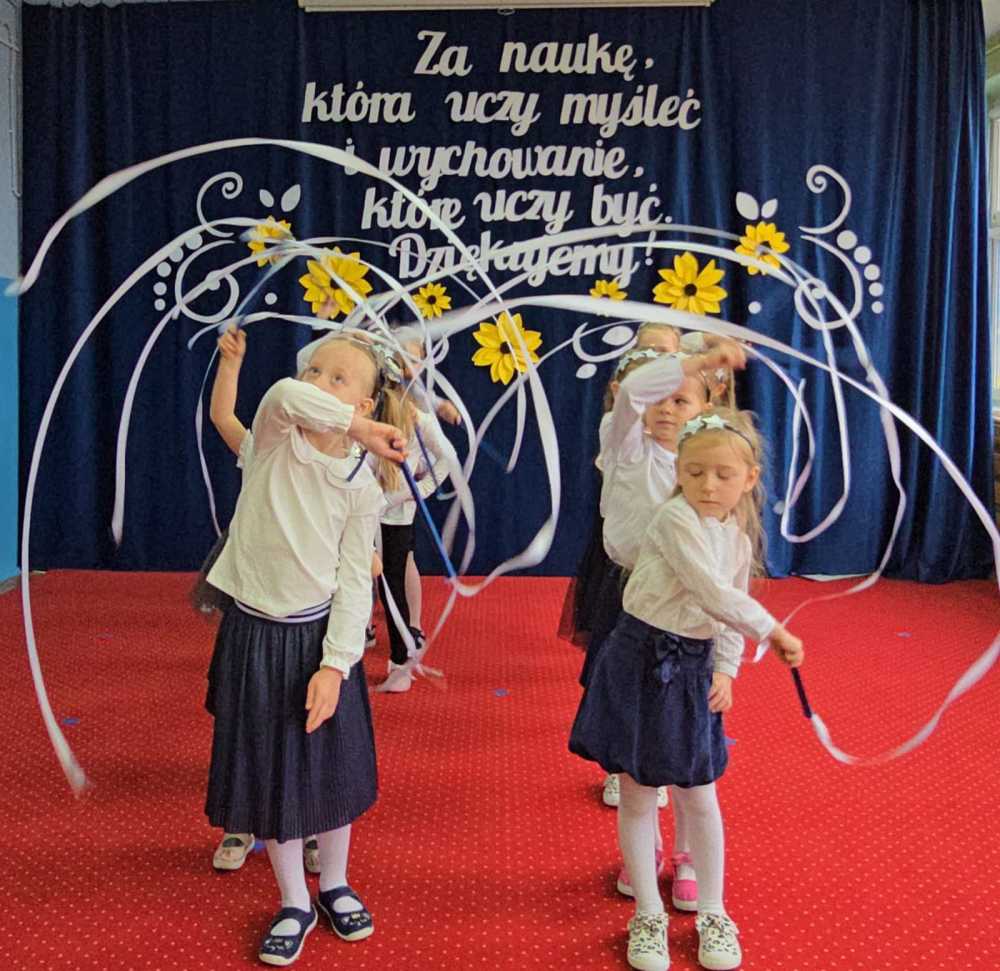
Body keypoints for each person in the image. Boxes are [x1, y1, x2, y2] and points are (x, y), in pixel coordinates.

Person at [570, 408, 805, 971]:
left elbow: (727, 608)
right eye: (695, 472)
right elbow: (709, 592)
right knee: (638, 790)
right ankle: (647, 913)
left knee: (699, 791)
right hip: (639, 660)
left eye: (724, 474)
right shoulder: (673, 519)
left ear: (749, 478)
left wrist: (726, 669)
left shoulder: (737, 540)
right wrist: (772, 630)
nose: (708, 485)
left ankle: (714, 911)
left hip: (692, 665)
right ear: (678, 471)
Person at [203, 331, 406, 966]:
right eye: (316, 369)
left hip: (317, 641)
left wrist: (335, 666)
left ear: (367, 402)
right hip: (257, 636)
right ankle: (294, 900)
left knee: (333, 773)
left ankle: (335, 883)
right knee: (274, 778)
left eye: (339, 378)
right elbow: (283, 395)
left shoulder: (360, 484)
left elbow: (354, 583)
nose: (318, 380)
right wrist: (358, 426)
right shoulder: (274, 437)